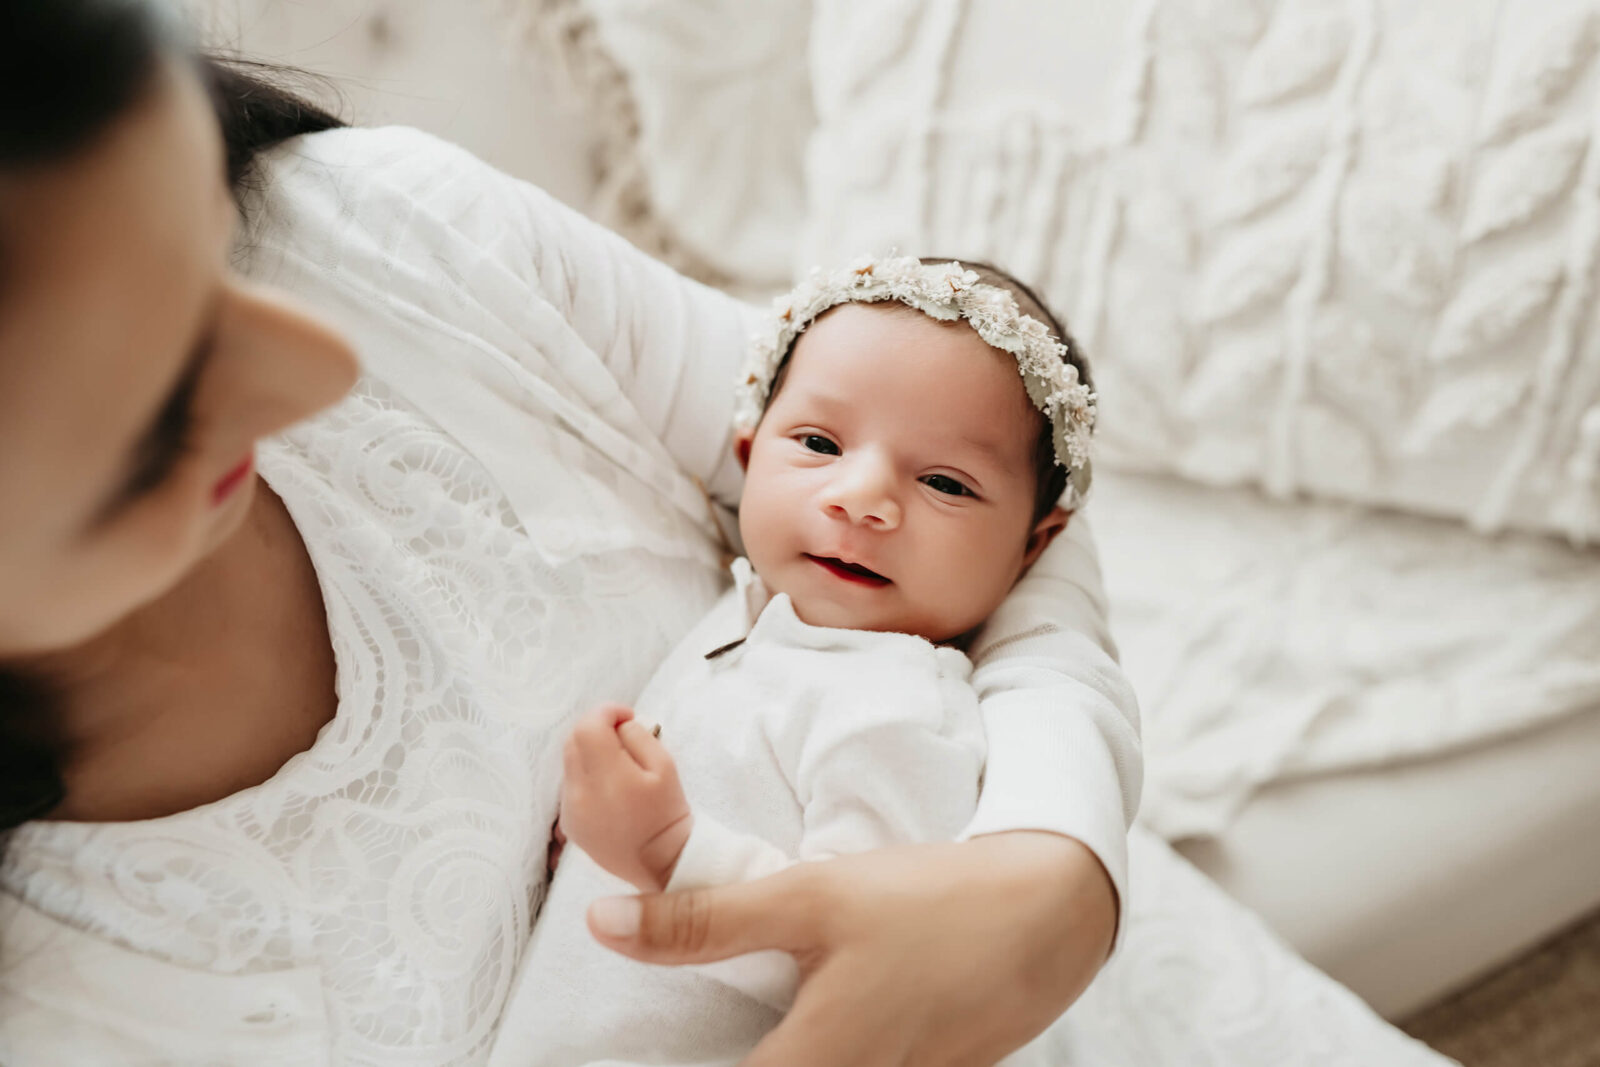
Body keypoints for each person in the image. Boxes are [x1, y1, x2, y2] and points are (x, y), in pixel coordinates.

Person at [0, 2, 1139, 1064]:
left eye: (211, 250)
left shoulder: (382, 231)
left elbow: (990, 424)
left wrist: (1056, 870)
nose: (319, 366)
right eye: (155, 390)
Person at [493, 256, 1108, 1067]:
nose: (862, 498)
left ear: (1032, 549)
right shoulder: (754, 606)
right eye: (819, 442)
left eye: (946, 484)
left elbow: (864, 959)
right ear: (748, 454)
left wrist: (669, 847)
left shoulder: (899, 710)